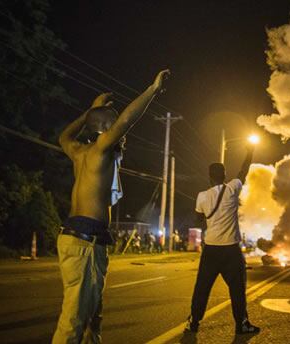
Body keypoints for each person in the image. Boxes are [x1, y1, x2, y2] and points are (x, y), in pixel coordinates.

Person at [53, 70, 169, 343]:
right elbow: (127, 120)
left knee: (93, 318)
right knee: (73, 321)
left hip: (83, 238)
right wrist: (152, 89)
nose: (118, 126)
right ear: (104, 128)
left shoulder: (79, 151)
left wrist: (91, 111)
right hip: (86, 240)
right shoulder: (100, 149)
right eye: (112, 122)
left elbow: (63, 137)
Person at [184, 143, 260, 335]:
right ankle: (242, 324)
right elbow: (244, 171)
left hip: (211, 249)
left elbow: (198, 218)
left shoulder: (202, 196)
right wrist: (249, 152)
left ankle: (194, 322)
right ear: (225, 175)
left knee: (202, 287)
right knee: (237, 290)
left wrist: (210, 220)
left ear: (209, 177)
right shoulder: (233, 188)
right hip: (231, 250)